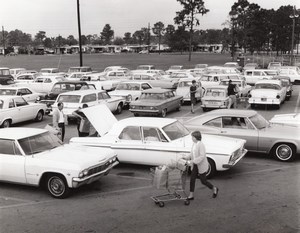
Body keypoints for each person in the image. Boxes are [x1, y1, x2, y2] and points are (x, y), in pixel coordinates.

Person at [183, 131, 218, 200]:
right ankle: (191, 195)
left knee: (203, 181)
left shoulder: (201, 145)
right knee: (192, 179)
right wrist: (186, 157)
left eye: (192, 137)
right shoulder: (194, 144)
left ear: (196, 137)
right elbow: (192, 153)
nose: (192, 138)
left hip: (201, 165)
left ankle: (214, 188)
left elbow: (202, 156)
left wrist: (192, 161)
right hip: (195, 164)